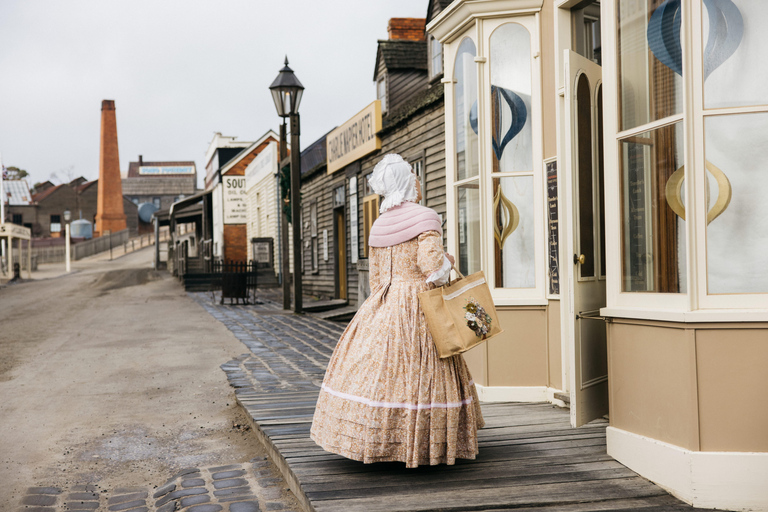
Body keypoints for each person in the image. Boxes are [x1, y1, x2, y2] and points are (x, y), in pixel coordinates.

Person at [310, 153, 484, 468]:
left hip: (384, 301)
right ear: (407, 181)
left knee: (379, 371)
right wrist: (449, 261)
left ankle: (381, 440)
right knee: (424, 371)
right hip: (418, 304)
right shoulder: (425, 217)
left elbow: (376, 278)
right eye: (414, 176)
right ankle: (421, 443)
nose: (418, 181)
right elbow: (432, 267)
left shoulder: (379, 225)